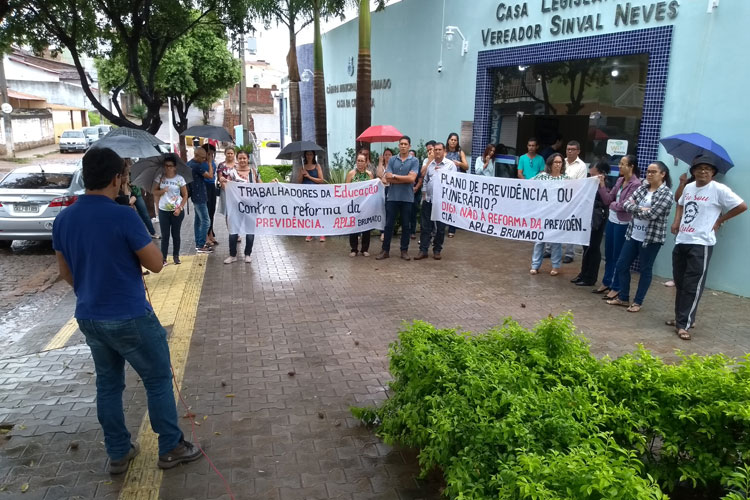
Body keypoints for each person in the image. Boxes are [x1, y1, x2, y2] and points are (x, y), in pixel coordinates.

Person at [52, 147, 201, 475]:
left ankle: (118, 451)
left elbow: (65, 272)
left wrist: (92, 291)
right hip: (130, 315)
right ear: (117, 178)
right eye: (124, 176)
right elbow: (157, 264)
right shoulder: (122, 216)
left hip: (89, 315)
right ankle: (171, 447)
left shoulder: (64, 218)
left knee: (107, 384)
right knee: (159, 377)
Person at [669, 154, 747, 340]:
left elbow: (741, 206)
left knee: (692, 285)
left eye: (707, 169)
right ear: (693, 171)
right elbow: (679, 203)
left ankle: (684, 324)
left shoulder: (719, 189)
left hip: (701, 243)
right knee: (680, 283)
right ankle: (683, 318)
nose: (703, 171)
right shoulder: (688, 187)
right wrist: (676, 221)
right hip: (682, 240)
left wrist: (720, 219)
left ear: (712, 173)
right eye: (699, 168)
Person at [606, 161, 674, 312]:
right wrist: (641, 208)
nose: (649, 174)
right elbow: (625, 205)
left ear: (663, 174)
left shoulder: (666, 194)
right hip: (633, 234)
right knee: (622, 265)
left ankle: (638, 301)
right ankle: (623, 297)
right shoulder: (643, 188)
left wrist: (636, 209)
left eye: (653, 172)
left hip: (650, 238)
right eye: (648, 171)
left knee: (645, 269)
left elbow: (652, 214)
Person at [595, 154, 641, 299]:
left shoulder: (636, 184)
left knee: (618, 256)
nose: (620, 166)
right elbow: (608, 198)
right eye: (620, 164)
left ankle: (617, 286)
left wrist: (614, 205)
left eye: (623, 164)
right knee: (608, 254)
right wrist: (602, 185)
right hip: (612, 220)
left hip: (623, 223)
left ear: (631, 166)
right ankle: (606, 281)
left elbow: (624, 206)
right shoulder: (620, 180)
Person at [376, 136, 419, 260]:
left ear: (409, 146)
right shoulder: (393, 159)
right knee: (389, 225)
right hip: (392, 197)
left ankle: (404, 251)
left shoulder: (414, 161)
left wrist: (395, 177)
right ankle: (385, 250)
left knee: (406, 225)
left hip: (407, 198)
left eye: (406, 144)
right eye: (401, 144)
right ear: (398, 145)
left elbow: (412, 179)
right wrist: (403, 178)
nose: (403, 146)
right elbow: (387, 178)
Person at [572, 160, 611, 287]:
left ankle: (590, 277)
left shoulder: (606, 184)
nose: (591, 177)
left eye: (593, 174)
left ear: (601, 173)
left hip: (598, 218)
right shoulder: (590, 182)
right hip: (588, 216)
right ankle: (583, 273)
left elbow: (606, 201)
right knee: (586, 246)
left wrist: (600, 184)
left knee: (593, 247)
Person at [529, 153, 569, 275]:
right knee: (539, 240)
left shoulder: (566, 179)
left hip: (557, 214)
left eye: (560, 162)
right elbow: (528, 184)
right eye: (555, 162)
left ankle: (555, 266)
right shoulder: (542, 177)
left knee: (556, 242)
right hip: (543, 213)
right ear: (550, 164)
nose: (557, 164)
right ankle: (535, 265)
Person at [415, 142, 455, 261]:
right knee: (425, 226)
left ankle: (437, 250)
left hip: (442, 201)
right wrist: (425, 195)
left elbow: (454, 182)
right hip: (429, 200)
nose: (437, 152)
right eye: (435, 150)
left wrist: (441, 173)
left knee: (440, 227)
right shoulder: (430, 164)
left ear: (444, 151)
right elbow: (425, 179)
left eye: (439, 150)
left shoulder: (450, 165)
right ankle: (423, 250)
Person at [221, 150, 259, 264]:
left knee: (250, 231)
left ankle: (248, 254)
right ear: (237, 159)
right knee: (233, 231)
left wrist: (272, 184)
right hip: (235, 206)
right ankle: (233, 255)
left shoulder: (253, 171)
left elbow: (260, 185)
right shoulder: (232, 173)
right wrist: (223, 182)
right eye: (240, 158)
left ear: (248, 159)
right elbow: (227, 187)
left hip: (250, 206)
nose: (242, 160)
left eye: (244, 158)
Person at [152, 154, 188, 266]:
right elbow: (154, 191)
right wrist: (162, 191)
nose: (168, 168)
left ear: (175, 167)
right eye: (166, 166)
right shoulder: (160, 178)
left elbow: (185, 195)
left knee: (176, 234)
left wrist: (180, 208)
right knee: (165, 235)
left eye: (171, 166)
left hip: (176, 210)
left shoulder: (180, 179)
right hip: (163, 210)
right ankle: (163, 258)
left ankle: (176, 256)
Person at [345, 153, 374, 257]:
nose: (360, 163)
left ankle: (365, 249)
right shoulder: (351, 174)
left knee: (366, 226)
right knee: (354, 226)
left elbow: (372, 189)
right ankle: (354, 249)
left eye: (362, 161)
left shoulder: (369, 174)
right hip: (354, 205)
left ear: (366, 163)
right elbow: (346, 189)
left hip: (366, 205)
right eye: (358, 160)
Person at [188, 147, 214, 254]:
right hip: (200, 196)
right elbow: (210, 176)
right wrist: (209, 163)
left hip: (195, 195)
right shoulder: (196, 166)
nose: (203, 160)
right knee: (206, 221)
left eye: (205, 158)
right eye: (202, 158)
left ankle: (198, 242)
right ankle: (201, 244)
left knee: (198, 220)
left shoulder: (189, 163)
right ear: (196, 155)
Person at [298, 150, 326, 242]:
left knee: (317, 212)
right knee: (308, 213)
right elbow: (299, 182)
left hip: (316, 193)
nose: (309, 156)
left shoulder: (317, 166)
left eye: (311, 154)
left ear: (314, 155)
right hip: (306, 193)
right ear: (305, 155)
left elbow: (321, 180)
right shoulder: (302, 167)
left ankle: (321, 233)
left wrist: (309, 176)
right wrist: (302, 174)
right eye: (307, 154)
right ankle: (310, 232)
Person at [445, 133, 467, 238]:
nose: (453, 141)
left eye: (455, 140)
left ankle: (452, 228)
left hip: (456, 183)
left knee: (453, 205)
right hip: (445, 182)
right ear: (448, 140)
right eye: (451, 139)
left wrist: (459, 163)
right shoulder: (444, 152)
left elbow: (466, 166)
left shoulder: (460, 152)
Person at [202, 143, 219, 247]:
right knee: (206, 212)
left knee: (212, 210)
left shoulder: (213, 162)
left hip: (212, 186)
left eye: (212, 153)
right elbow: (209, 176)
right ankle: (206, 236)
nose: (211, 155)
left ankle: (211, 233)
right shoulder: (202, 163)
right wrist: (208, 162)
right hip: (205, 187)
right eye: (209, 153)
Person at [376, 148, 394, 241]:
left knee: (389, 211)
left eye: (389, 155)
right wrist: (380, 161)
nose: (387, 156)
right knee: (382, 210)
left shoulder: (394, 165)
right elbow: (379, 174)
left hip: (391, 189)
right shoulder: (381, 166)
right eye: (386, 155)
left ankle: (388, 231)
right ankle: (382, 231)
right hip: (381, 190)